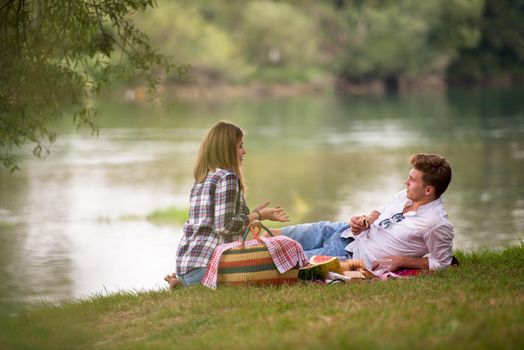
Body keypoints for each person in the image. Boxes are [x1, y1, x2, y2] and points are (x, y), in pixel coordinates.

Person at [268, 153, 454, 276]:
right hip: (342, 231)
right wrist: (367, 220)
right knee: (278, 234)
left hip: (348, 255)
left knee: (278, 260)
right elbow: (379, 212)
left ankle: (240, 263)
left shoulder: (436, 223)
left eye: (412, 180)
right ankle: (240, 239)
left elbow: (442, 262)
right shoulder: (405, 196)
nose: (406, 182)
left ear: (428, 190)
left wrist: (402, 261)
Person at [165, 121, 289, 288]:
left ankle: (184, 285)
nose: (244, 151)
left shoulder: (203, 179)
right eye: (240, 146)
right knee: (284, 257)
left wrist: (251, 215)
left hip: (186, 267)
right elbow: (225, 226)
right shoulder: (227, 177)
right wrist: (260, 215)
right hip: (207, 267)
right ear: (226, 150)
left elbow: (215, 226)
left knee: (275, 247)